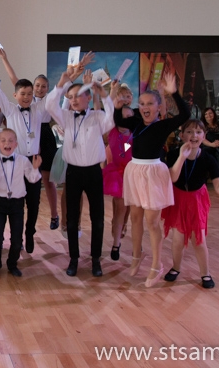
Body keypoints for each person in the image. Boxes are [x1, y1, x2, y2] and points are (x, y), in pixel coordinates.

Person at [113, 72, 190, 287]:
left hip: (153, 172)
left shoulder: (162, 125)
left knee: (152, 222)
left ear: (158, 107)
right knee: (135, 218)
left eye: (150, 104)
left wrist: (174, 93)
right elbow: (118, 120)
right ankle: (136, 256)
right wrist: (118, 106)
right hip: (135, 170)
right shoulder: (137, 122)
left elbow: (185, 114)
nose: (145, 107)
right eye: (142, 103)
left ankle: (157, 265)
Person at [46, 64, 114, 277]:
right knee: (72, 218)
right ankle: (73, 259)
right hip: (73, 172)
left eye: (78, 95)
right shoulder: (66, 117)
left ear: (88, 97)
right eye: (71, 96)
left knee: (98, 217)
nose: (74, 100)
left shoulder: (98, 117)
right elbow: (50, 105)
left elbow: (112, 118)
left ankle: (96, 260)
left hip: (93, 173)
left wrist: (104, 95)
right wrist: (61, 84)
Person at [161, 119, 219, 289]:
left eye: (198, 132)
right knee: (178, 239)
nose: (193, 135)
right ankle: (176, 267)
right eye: (189, 132)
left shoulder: (209, 159)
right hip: (178, 198)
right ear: (182, 135)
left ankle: (205, 273)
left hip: (197, 199)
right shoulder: (173, 154)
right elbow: (172, 178)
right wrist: (182, 157)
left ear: (204, 136)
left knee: (199, 239)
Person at [0, 62, 52, 255]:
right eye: (23, 94)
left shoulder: (38, 109)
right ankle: (17, 239)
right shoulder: (11, 110)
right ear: (15, 95)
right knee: (17, 203)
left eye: (30, 94)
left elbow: (55, 95)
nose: (26, 97)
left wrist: (69, 77)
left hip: (33, 162)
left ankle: (29, 233)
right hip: (15, 162)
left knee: (34, 203)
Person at [0, 47, 60, 232]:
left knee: (47, 180)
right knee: (22, 187)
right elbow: (14, 80)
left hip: (43, 135)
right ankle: (19, 229)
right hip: (25, 140)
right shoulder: (25, 100)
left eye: (43, 86)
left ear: (47, 88)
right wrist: (4, 59)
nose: (39, 88)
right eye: (37, 85)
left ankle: (54, 214)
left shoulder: (45, 103)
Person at [0, 129, 42, 277]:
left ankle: (12, 264)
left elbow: (32, 179)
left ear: (16, 144)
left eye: (11, 140)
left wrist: (35, 168)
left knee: (17, 239)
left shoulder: (23, 160)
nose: (7, 143)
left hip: (17, 204)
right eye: (3, 140)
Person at [103, 106, 134, 261]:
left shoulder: (136, 133)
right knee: (120, 207)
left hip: (133, 174)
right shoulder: (112, 131)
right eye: (122, 116)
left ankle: (123, 225)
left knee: (130, 208)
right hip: (116, 173)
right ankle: (116, 244)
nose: (124, 120)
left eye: (129, 117)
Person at [201, 107, 219, 175]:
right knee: (218, 150)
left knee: (218, 152)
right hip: (207, 147)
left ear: (214, 114)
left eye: (210, 113)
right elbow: (202, 139)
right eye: (206, 114)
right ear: (204, 116)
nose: (208, 115)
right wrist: (212, 144)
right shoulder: (202, 126)